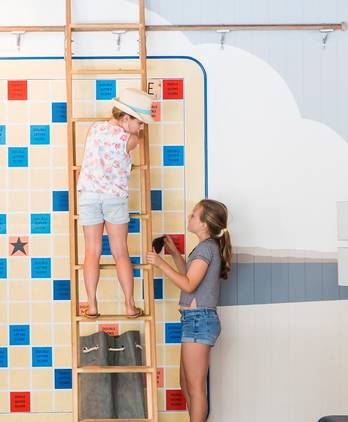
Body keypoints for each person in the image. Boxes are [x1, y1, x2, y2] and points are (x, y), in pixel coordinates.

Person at [145, 199, 232, 422]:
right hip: (193, 320)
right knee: (186, 383)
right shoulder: (204, 248)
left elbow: (189, 285)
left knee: (194, 387)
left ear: (204, 224)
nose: (189, 217)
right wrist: (174, 253)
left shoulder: (206, 248)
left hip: (199, 320)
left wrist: (160, 264)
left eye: (193, 215)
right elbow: (189, 276)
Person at [76, 87, 154, 318]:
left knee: (92, 251)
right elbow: (132, 139)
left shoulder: (94, 128)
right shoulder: (131, 138)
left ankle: (92, 305)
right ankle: (129, 306)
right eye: (139, 121)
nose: (142, 127)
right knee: (121, 252)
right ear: (125, 117)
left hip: (88, 195)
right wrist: (134, 133)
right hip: (114, 198)